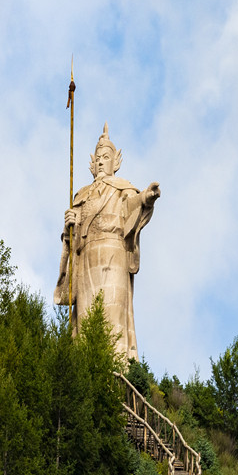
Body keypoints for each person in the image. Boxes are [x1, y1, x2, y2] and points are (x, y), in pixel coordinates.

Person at [54, 123, 160, 359]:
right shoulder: (81, 195)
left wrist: (146, 197)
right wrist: (70, 225)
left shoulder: (123, 189)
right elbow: (72, 238)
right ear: (92, 164)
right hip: (87, 260)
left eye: (106, 157)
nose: (101, 162)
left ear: (116, 162)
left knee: (112, 317)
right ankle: (87, 370)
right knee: (86, 316)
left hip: (113, 254)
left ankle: (116, 367)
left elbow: (132, 205)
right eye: (98, 158)